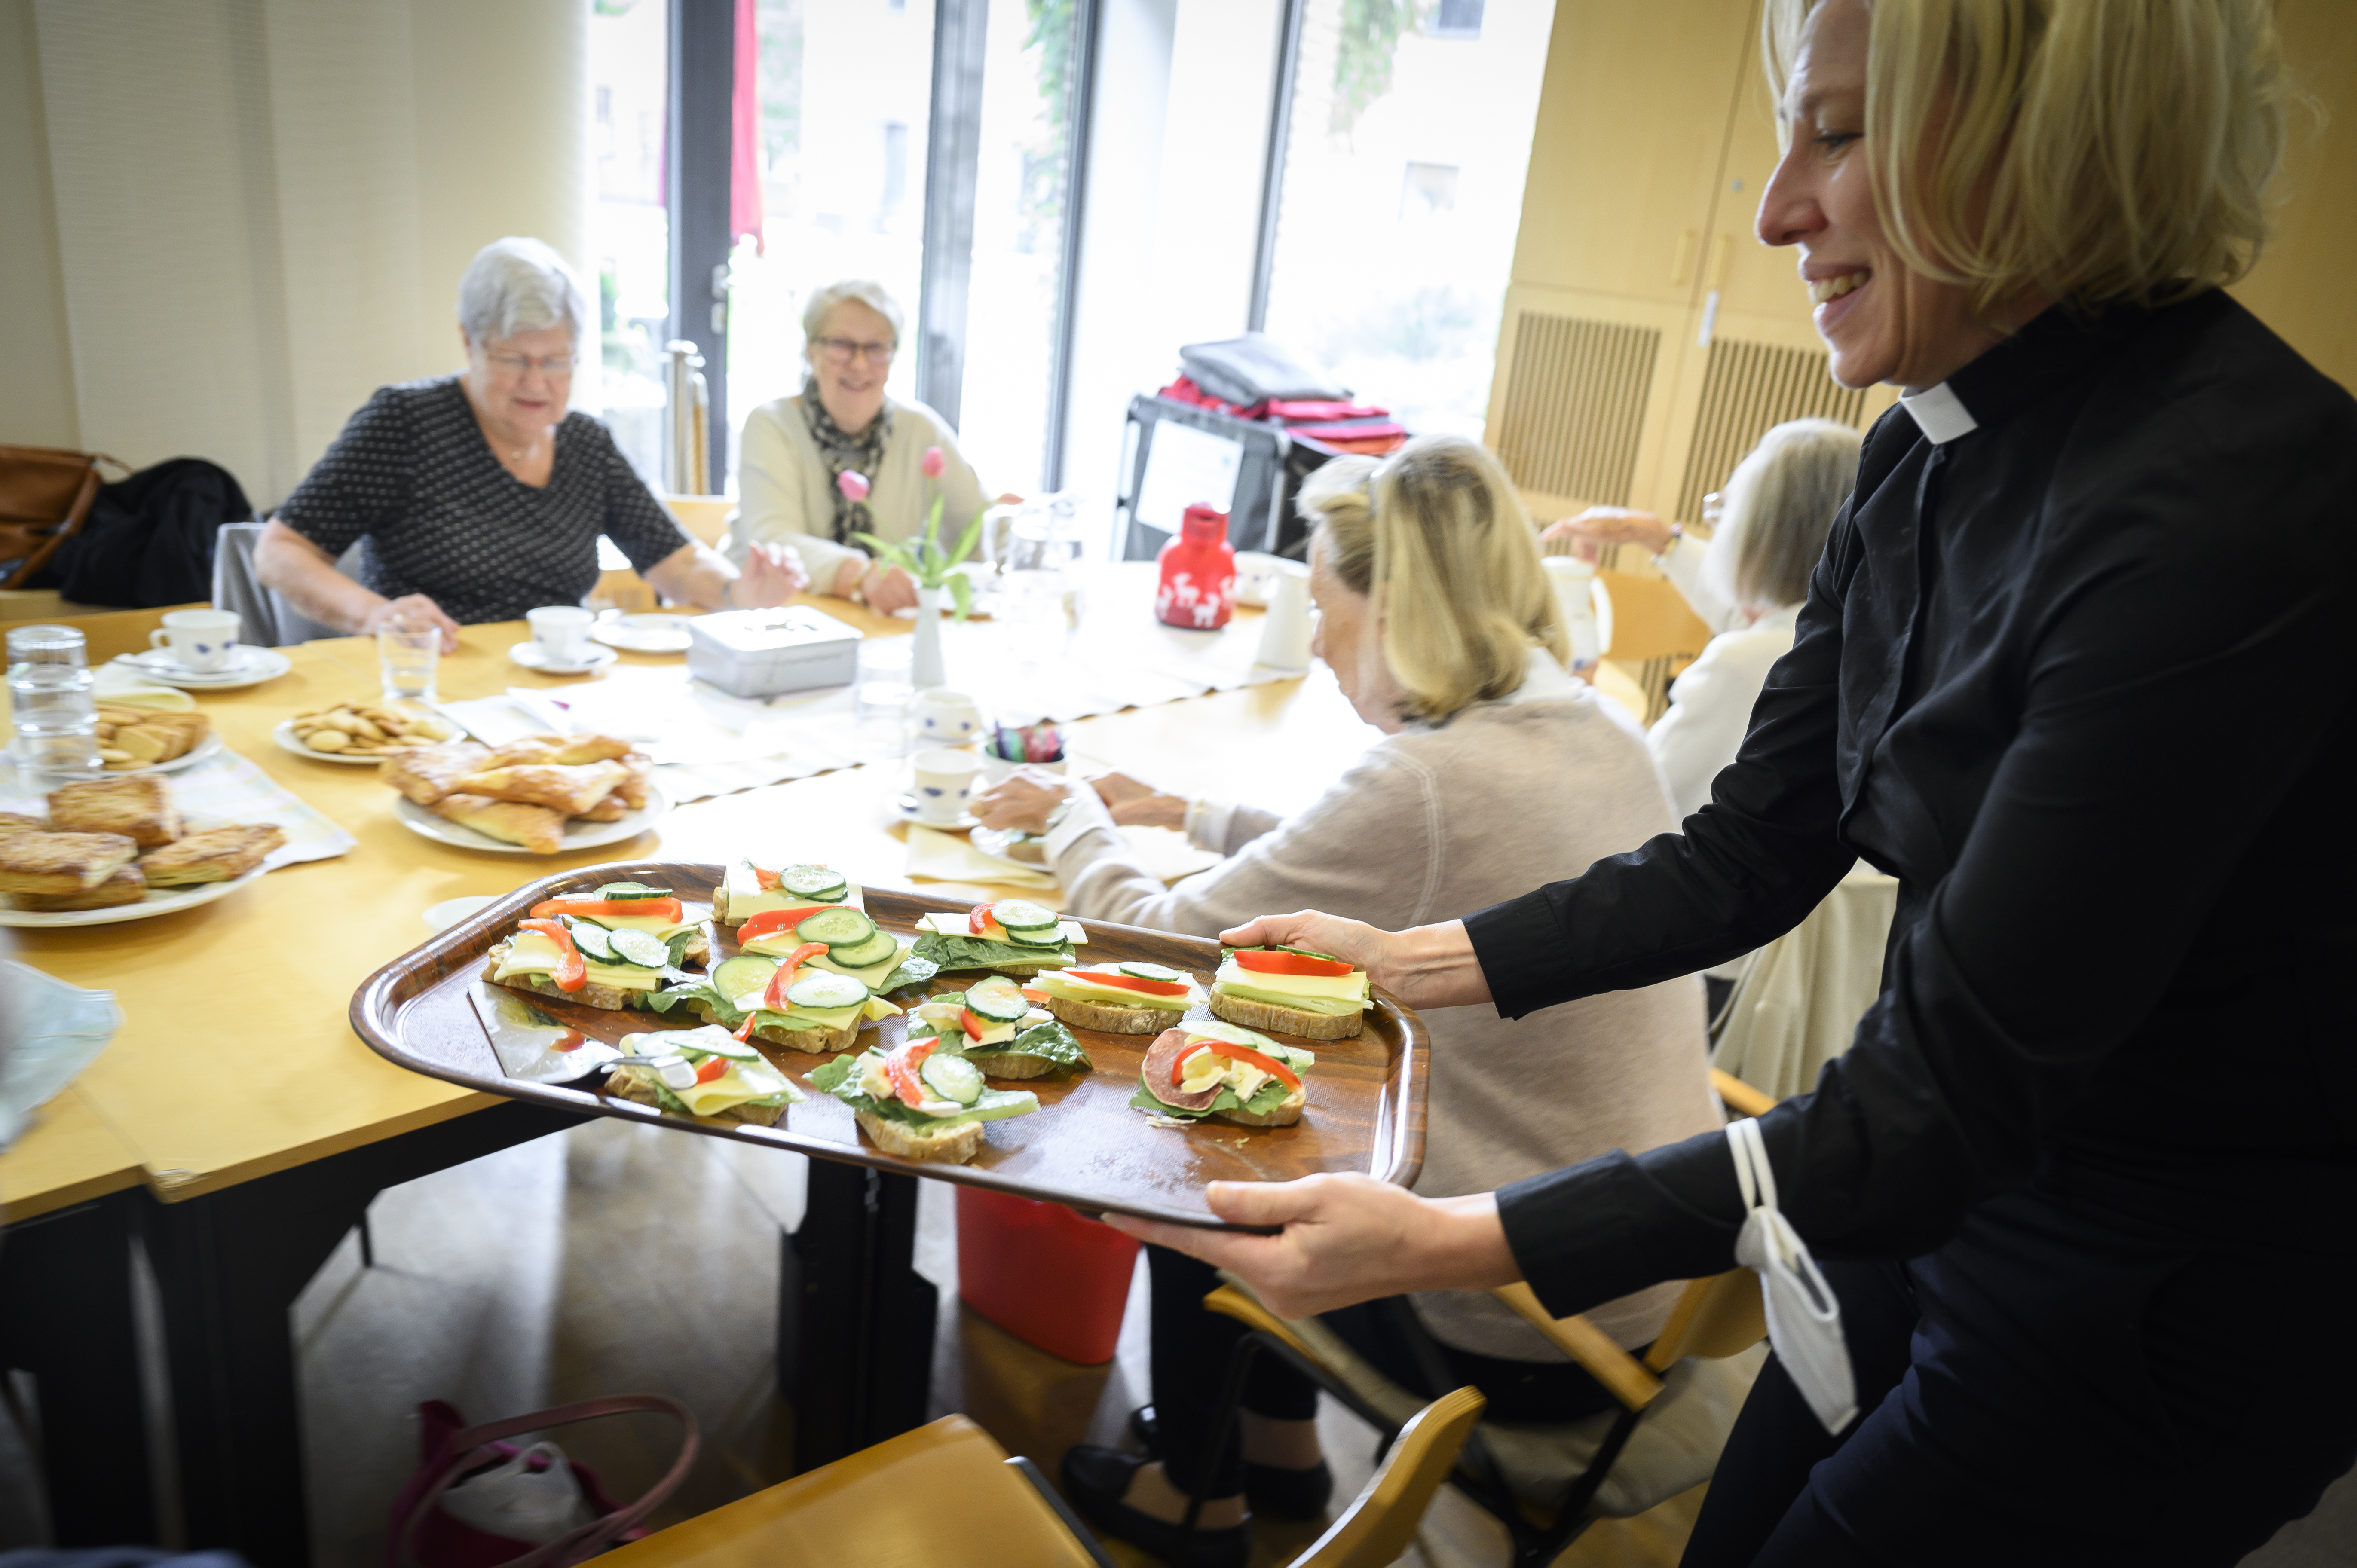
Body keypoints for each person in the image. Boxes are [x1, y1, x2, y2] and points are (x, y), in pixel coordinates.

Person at [1112, 2, 2357, 1564]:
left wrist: (1456, 1237)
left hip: (2167, 1283)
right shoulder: (1921, 451)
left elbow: (1940, 1099)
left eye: (1835, 134)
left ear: (2037, 140)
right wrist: (1407, 960)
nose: (1775, 208)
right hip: (1949, 1199)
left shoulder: (2223, 516)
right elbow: (1746, 853)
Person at [970, 435, 1721, 1568]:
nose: (1315, 640)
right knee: (1299, 1078)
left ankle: (1196, 1497)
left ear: (1398, 607)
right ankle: (1279, 1448)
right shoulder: (1583, 720)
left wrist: (1075, 810)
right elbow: (1381, 861)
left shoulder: (1426, 783)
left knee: (1196, 1127)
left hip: (1519, 1325)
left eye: (1324, 605)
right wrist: (1186, 808)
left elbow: (1163, 943)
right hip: (1646, 1282)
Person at [255, 237, 805, 646]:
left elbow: (676, 565)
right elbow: (281, 551)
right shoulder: (405, 423)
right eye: (514, 359)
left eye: (556, 362)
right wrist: (373, 614)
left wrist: (740, 594)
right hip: (428, 684)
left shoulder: (586, 445)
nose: (537, 383)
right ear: (469, 341)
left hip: (552, 688)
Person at [1549, 420, 1860, 822]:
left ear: (1758, 532)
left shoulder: (1745, 662)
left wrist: (1583, 706)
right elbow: (1753, 619)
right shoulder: (1845, 632)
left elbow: (1632, 798)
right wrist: (1662, 540)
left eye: (1722, 513)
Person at [732, 280, 1006, 615]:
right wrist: (861, 576)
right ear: (811, 351)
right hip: (774, 618)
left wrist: (1027, 542)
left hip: (881, 627)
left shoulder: (920, 429)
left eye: (876, 348)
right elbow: (774, 541)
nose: (860, 364)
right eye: (842, 346)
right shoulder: (772, 424)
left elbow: (979, 526)